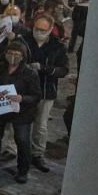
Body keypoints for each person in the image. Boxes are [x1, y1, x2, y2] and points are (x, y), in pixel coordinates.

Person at [0, 41, 42, 183]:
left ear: (23, 56)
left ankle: (22, 170)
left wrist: (22, 98)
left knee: (22, 141)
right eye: (10, 53)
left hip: (22, 112)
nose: (12, 57)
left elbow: (37, 95)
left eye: (17, 54)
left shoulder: (30, 73)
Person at [26, 14, 69, 172]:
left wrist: (45, 69)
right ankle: (12, 150)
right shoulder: (24, 40)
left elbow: (63, 70)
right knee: (17, 123)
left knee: (41, 125)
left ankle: (37, 153)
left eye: (43, 30)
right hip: (24, 89)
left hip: (46, 90)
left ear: (51, 30)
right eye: (37, 29)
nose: (39, 32)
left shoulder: (58, 46)